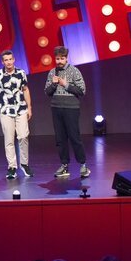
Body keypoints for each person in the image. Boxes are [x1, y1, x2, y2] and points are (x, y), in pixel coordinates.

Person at [0, 50, 33, 180]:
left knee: (23, 137)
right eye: (6, 60)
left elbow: (26, 90)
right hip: (6, 111)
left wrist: (29, 108)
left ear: (14, 59)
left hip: (21, 109)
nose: (9, 62)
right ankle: (12, 167)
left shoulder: (21, 73)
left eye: (10, 59)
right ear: (2, 62)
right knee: (9, 140)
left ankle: (24, 164)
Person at [44, 46, 90, 179]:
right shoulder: (52, 72)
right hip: (56, 108)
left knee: (74, 137)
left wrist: (66, 84)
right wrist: (53, 84)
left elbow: (82, 91)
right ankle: (64, 165)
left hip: (71, 108)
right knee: (60, 139)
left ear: (66, 58)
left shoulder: (75, 71)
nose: (59, 61)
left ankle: (83, 165)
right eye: (57, 58)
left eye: (62, 58)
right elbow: (47, 92)